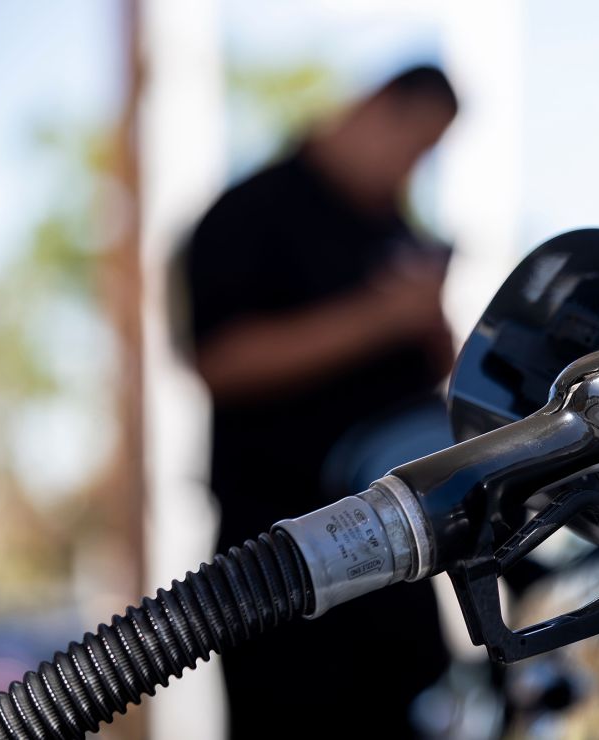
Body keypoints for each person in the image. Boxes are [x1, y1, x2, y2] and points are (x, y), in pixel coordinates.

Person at [182, 66, 457, 739]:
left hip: (392, 559)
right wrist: (377, 318)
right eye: (413, 143)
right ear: (371, 109)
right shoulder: (251, 211)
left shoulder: (395, 229)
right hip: (277, 565)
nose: (411, 166)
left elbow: (435, 372)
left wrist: (428, 316)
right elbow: (219, 359)